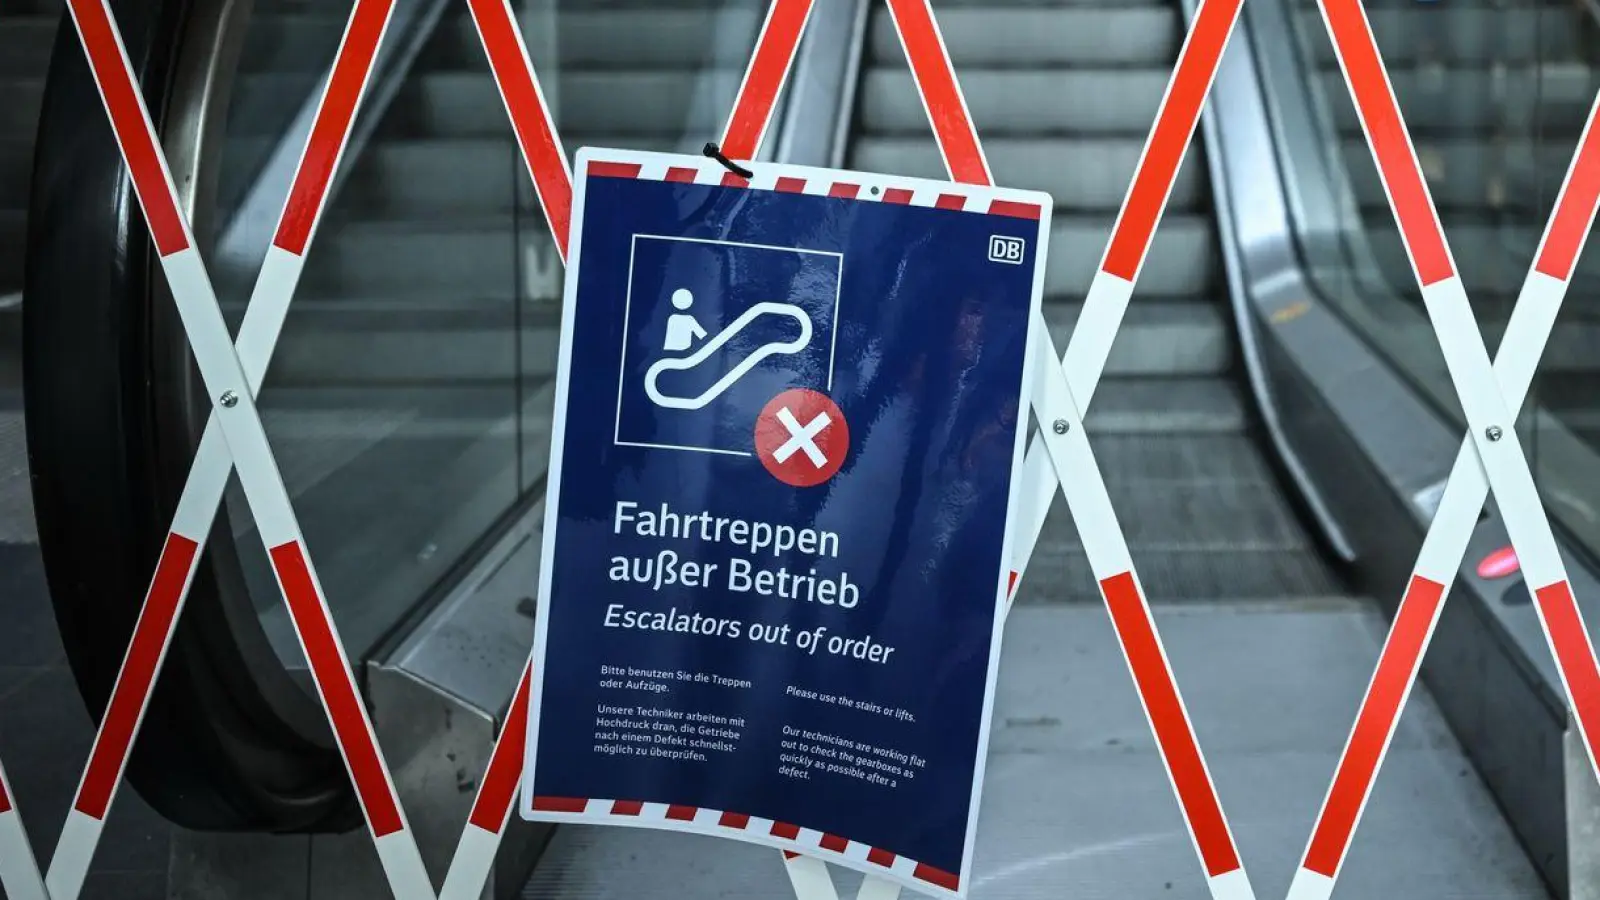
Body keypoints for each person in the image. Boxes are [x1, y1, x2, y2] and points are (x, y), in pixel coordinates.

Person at [664, 288, 708, 353]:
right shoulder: (689, 319)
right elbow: (702, 335)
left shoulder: (672, 318)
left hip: (668, 353)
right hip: (684, 352)